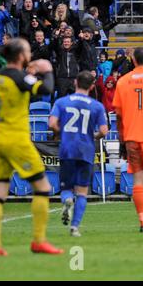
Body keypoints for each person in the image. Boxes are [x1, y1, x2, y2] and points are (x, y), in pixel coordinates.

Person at [0, 38, 63, 256]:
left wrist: (28, 73)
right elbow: (46, 89)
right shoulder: (20, 77)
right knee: (43, 188)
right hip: (16, 140)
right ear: (21, 55)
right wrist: (47, 70)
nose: (30, 54)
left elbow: (19, 84)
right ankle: (39, 240)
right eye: (28, 51)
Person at [49, 71, 108, 237]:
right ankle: (74, 227)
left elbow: (52, 123)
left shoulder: (62, 102)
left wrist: (63, 132)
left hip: (67, 149)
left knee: (66, 188)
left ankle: (67, 200)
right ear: (91, 86)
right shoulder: (96, 106)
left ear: (75, 83)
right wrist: (93, 136)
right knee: (82, 191)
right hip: (86, 150)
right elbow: (104, 130)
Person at [113, 47, 143, 233]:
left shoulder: (123, 81)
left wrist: (122, 137)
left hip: (132, 136)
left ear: (133, 60)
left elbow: (118, 115)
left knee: (138, 178)